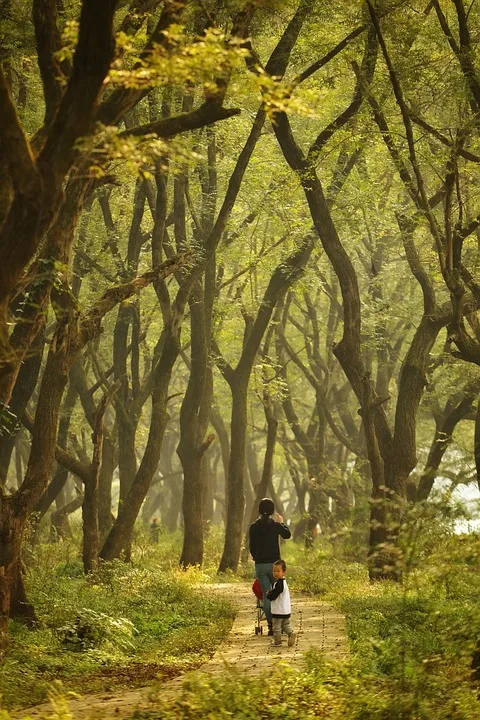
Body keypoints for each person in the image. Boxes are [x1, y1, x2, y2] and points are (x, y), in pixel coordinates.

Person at [249, 497, 291, 635]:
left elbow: (252, 548)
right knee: (277, 594)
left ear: (259, 510)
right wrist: (282, 523)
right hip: (275, 566)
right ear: (272, 511)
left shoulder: (254, 527)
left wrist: (257, 558)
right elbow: (287, 535)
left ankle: (271, 625)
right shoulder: (275, 525)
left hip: (260, 566)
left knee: (267, 596)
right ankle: (281, 624)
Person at [266, 559, 296, 647]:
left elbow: (275, 594)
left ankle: (277, 642)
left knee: (276, 627)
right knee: (285, 624)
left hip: (278, 610)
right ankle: (291, 633)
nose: (276, 573)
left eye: (278, 571)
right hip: (285, 610)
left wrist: (269, 595)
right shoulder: (283, 583)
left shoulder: (279, 583)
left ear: (284, 572)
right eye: (274, 571)